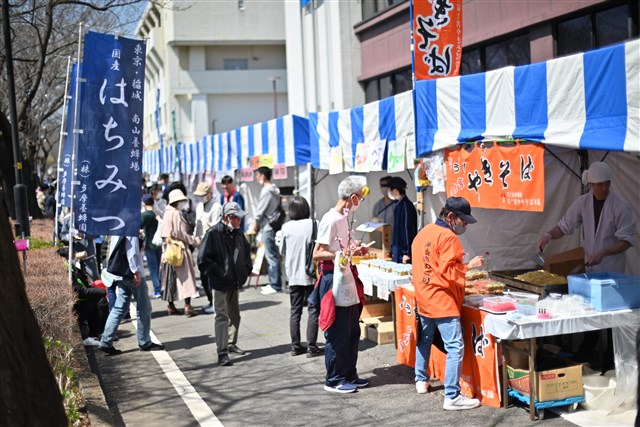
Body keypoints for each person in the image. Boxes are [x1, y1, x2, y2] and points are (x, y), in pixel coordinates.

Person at [411, 197, 484, 410]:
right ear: (451, 217)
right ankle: (452, 395)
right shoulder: (448, 237)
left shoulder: (424, 232)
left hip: (424, 296)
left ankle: (420, 380)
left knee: (424, 340)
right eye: (464, 221)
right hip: (441, 299)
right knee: (455, 346)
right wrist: (469, 266)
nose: (466, 225)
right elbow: (449, 271)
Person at [311, 175, 370, 394]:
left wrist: (353, 250)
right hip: (333, 278)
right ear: (353, 197)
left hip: (346, 275)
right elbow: (317, 253)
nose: (360, 203)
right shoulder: (330, 218)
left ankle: (349, 373)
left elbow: (340, 249)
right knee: (338, 331)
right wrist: (341, 253)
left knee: (353, 329)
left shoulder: (344, 217)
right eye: (360, 199)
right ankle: (333, 379)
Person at [537, 161, 636, 273]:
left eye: (607, 183)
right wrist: (548, 235)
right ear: (591, 184)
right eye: (600, 184)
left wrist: (603, 252)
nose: (604, 188)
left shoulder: (621, 206)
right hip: (590, 268)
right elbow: (564, 226)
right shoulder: (582, 202)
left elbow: (626, 241)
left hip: (612, 269)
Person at [197, 202, 252, 366]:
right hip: (220, 282)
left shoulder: (239, 235)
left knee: (234, 315)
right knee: (221, 316)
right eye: (237, 218)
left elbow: (247, 256)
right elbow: (203, 260)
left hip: (235, 281)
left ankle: (230, 343)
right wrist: (219, 273)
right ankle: (222, 351)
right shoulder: (213, 233)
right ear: (228, 217)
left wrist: (244, 272)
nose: (240, 221)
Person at [99, 235, 163, 355]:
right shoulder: (130, 223)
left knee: (120, 306)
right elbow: (132, 249)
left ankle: (106, 341)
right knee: (144, 307)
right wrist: (136, 271)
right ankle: (144, 341)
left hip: (121, 271)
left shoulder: (118, 224)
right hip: (132, 272)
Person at [277, 196, 321, 358]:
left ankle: (295, 346)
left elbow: (282, 252)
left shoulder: (286, 227)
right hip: (311, 274)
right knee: (313, 311)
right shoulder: (314, 224)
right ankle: (311, 346)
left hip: (293, 275)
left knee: (295, 311)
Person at [161, 189, 201, 317]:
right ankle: (188, 306)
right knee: (186, 278)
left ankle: (170, 306)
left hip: (168, 249)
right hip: (180, 249)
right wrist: (194, 240)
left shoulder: (166, 213)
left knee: (169, 278)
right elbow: (179, 233)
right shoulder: (176, 213)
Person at [251, 167, 282, 295]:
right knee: (272, 255)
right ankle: (274, 282)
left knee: (271, 256)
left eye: (257, 175)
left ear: (263, 176)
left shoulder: (267, 190)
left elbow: (260, 211)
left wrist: (255, 223)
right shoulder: (273, 189)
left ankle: (275, 284)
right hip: (272, 225)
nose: (256, 177)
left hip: (267, 226)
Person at [193, 181, 222, 314]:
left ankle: (216, 303)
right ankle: (211, 300)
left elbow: (216, 227)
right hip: (201, 244)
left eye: (203, 195)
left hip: (212, 245)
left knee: (211, 274)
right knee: (203, 274)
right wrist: (195, 237)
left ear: (210, 194)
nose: (201, 198)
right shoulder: (199, 206)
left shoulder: (216, 207)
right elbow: (197, 224)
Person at [388, 176, 417, 264]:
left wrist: (407, 252)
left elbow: (407, 230)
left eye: (390, 190)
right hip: (398, 248)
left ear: (395, 191)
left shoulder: (405, 206)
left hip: (403, 252)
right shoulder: (398, 204)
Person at [141, 193, 162, 298]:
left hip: (149, 244)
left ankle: (157, 289)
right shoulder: (157, 214)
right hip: (159, 244)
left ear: (144, 203)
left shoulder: (144, 215)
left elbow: (139, 227)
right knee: (159, 267)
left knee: (152, 268)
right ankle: (161, 287)